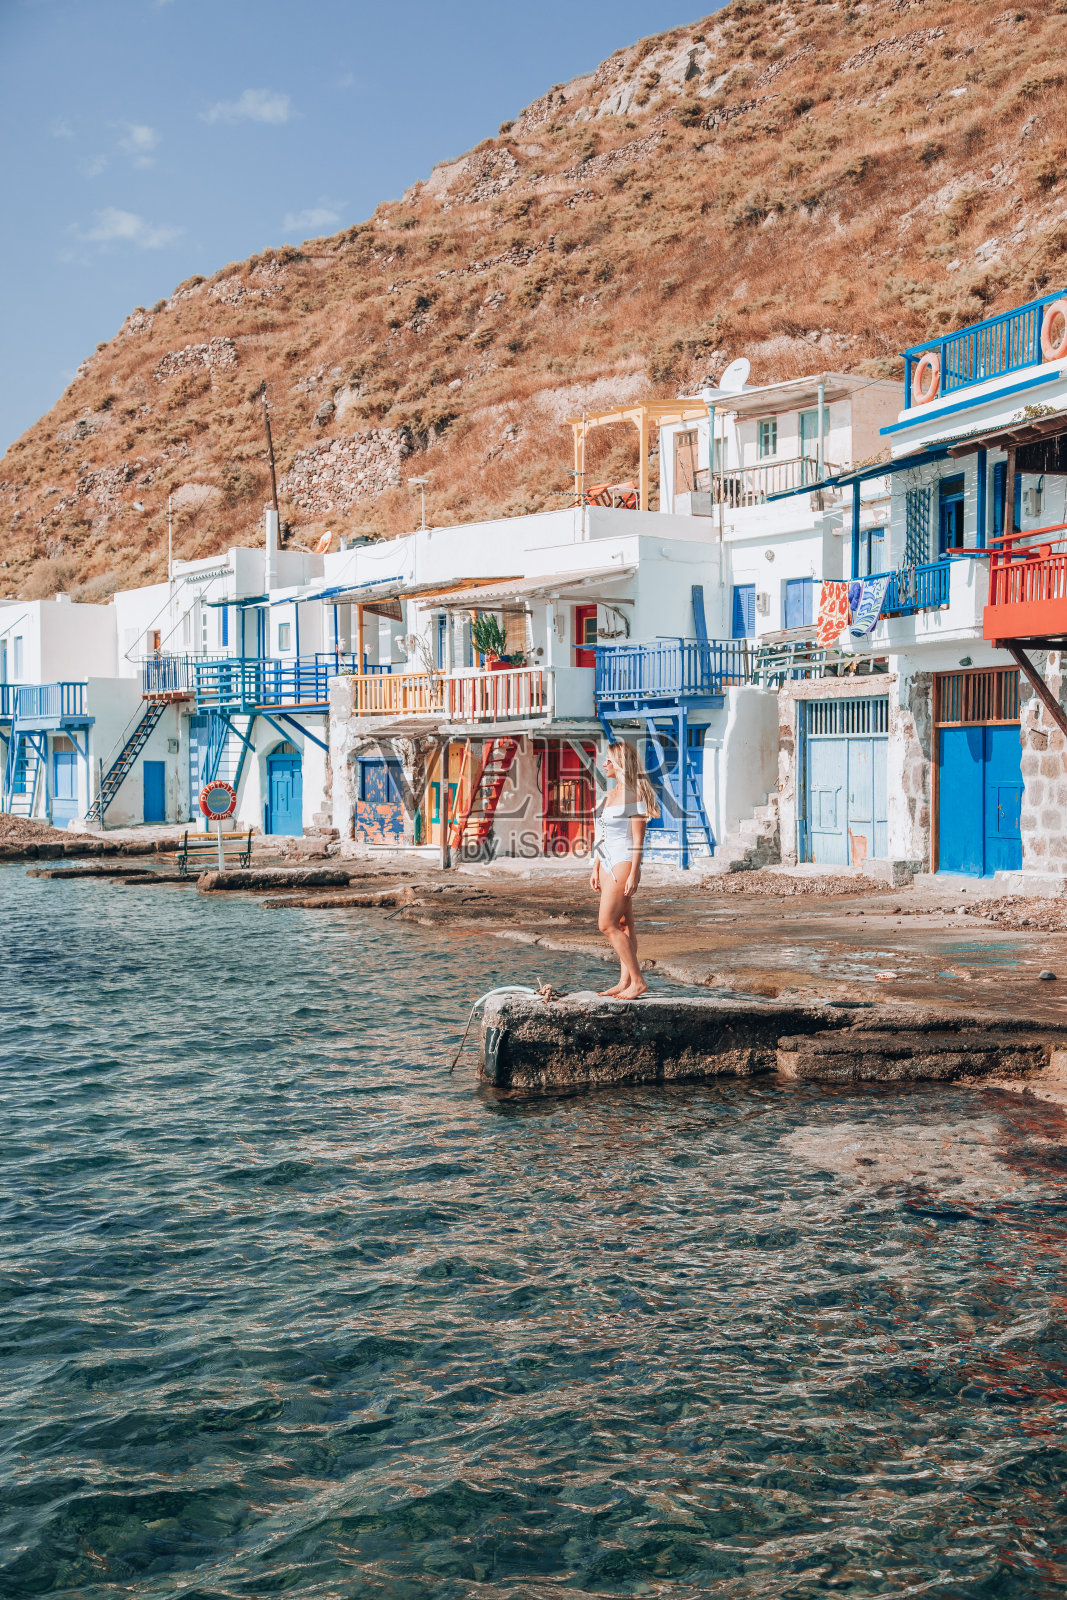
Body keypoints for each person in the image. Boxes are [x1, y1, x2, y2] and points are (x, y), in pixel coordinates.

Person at [589, 740, 660, 999]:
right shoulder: (608, 796)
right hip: (606, 862)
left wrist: (634, 873)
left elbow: (638, 840)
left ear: (619, 763)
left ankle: (638, 981)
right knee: (623, 924)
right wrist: (595, 867)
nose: (604, 764)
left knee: (606, 924)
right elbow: (601, 836)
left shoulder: (634, 796)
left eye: (608, 760)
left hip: (623, 862)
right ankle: (624, 982)